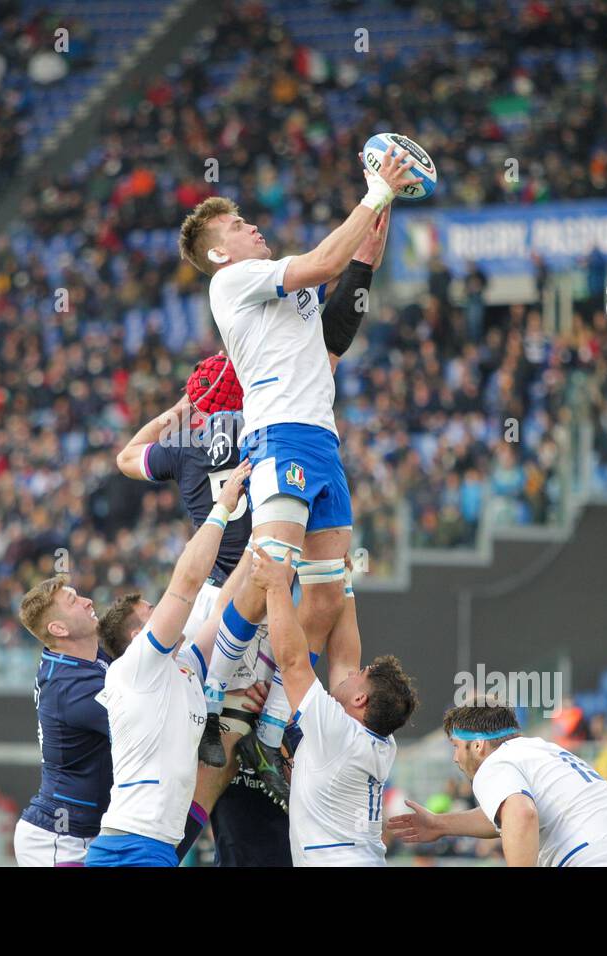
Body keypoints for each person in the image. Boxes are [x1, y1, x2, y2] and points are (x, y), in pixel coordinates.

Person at [177, 155, 405, 799]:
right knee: (266, 571)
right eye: (240, 225)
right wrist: (376, 193)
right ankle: (211, 696)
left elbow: (331, 339)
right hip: (280, 435)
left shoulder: (276, 291)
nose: (253, 229)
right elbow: (321, 264)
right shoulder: (235, 282)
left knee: (327, 598)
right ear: (219, 254)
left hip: (321, 441)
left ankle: (270, 736)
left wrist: (364, 265)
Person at [84, 460, 251, 866]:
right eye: (151, 612)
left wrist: (260, 544)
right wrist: (223, 506)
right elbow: (188, 583)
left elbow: (224, 613)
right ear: (139, 638)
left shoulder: (184, 668)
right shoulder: (136, 667)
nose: (162, 612)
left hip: (150, 847)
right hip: (134, 846)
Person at [248, 543, 418, 866]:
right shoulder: (376, 737)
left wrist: (277, 587)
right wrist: (346, 584)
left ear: (360, 700)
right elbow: (344, 659)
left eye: (361, 676)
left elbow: (294, 662)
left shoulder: (339, 735)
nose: (354, 674)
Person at [388, 699, 607, 867]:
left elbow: (521, 813)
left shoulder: (495, 763)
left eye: (457, 746)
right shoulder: (543, 750)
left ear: (479, 745)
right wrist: (440, 824)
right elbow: (510, 812)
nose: (455, 757)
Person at [13, 576, 112, 866]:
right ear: (59, 629)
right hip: (59, 839)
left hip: (88, 833)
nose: (88, 601)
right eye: (74, 601)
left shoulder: (85, 658)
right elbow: (146, 725)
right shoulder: (70, 687)